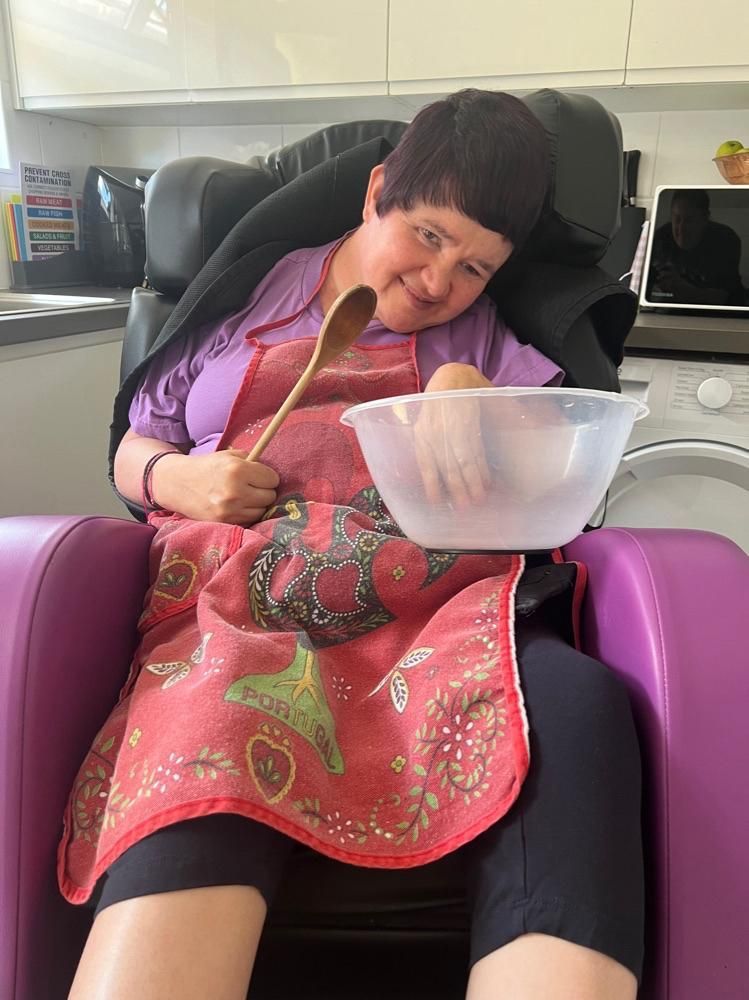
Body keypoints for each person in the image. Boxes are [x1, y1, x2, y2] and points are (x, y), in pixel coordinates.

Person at [61, 90, 644, 1000]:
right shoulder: (249, 291)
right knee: (213, 714)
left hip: (433, 618)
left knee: (576, 706)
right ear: (377, 191)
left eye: (476, 269)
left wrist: (466, 395)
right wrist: (177, 479)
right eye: (427, 235)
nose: (439, 283)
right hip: (238, 612)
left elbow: (558, 473)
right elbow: (135, 441)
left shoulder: (484, 339)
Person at [648, 188, 745, 306]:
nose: (681, 228)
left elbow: (726, 298)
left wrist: (686, 290)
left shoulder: (725, 239)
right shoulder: (660, 239)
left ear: (705, 219)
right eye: (677, 219)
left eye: (689, 220)